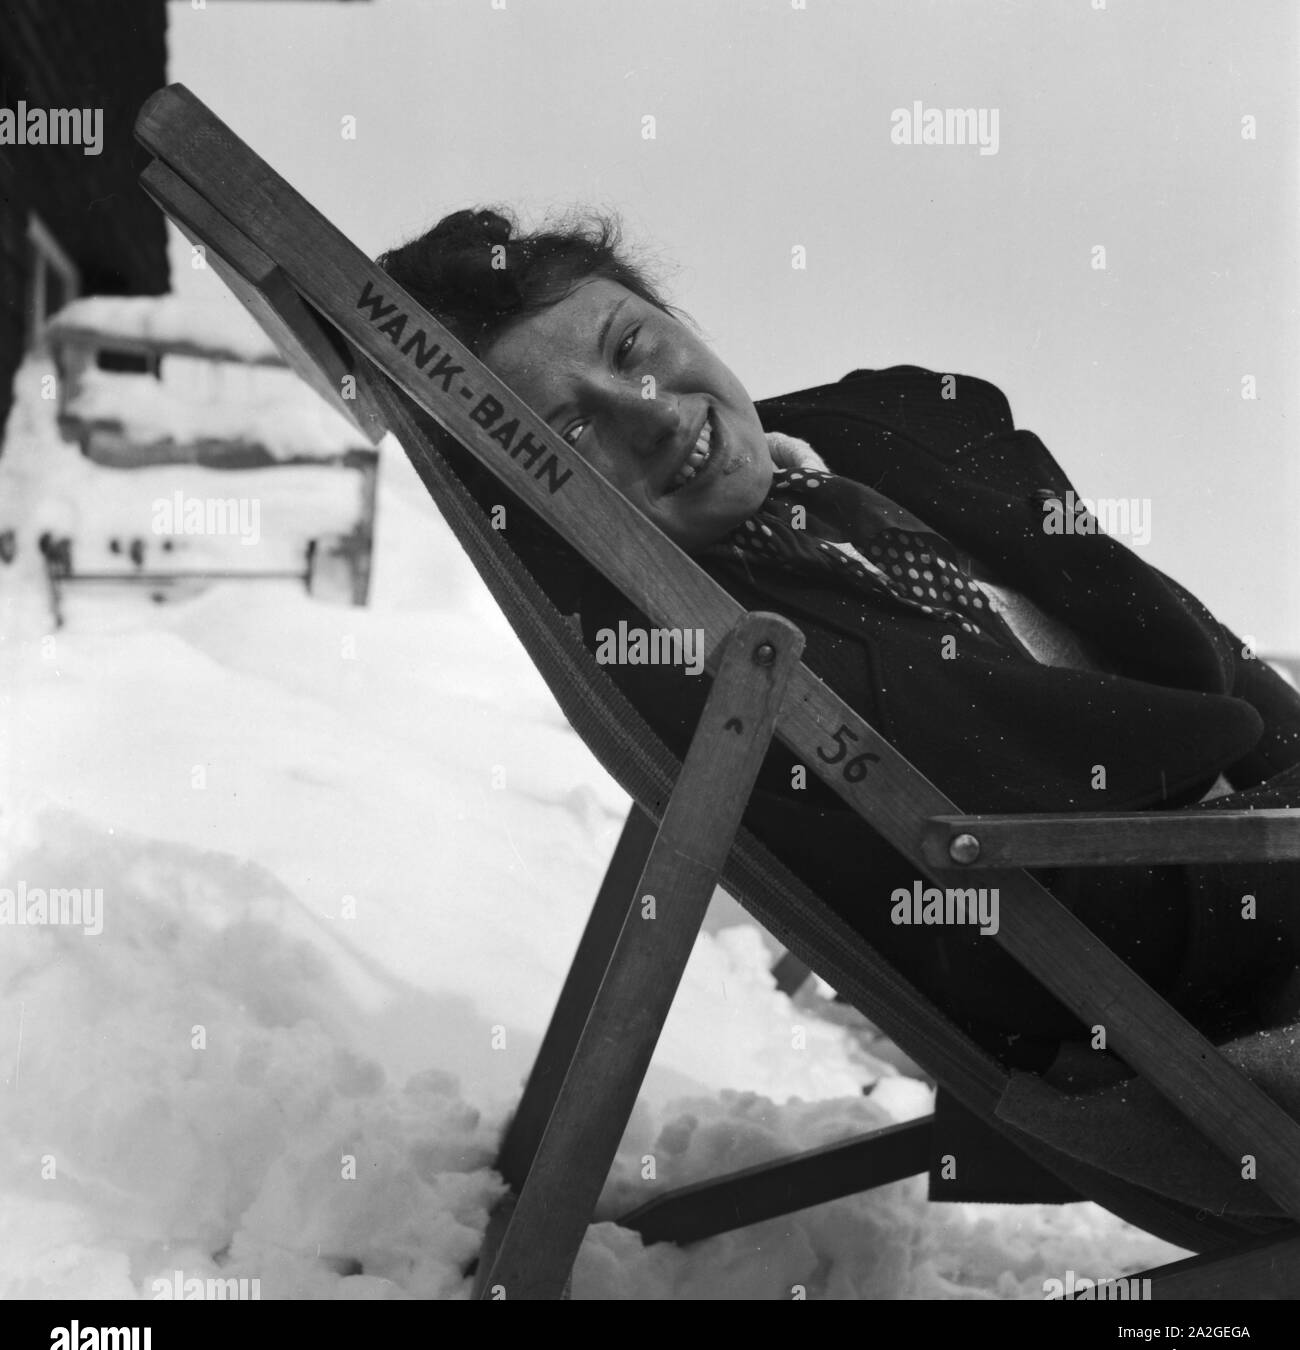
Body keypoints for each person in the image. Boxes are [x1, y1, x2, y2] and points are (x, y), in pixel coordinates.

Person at [379, 209, 1300, 1073]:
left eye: (634, 347)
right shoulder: (722, 668)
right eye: (575, 433)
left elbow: (1201, 655)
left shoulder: (890, 427)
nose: (654, 412)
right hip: (1209, 980)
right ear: (545, 511)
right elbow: (1048, 933)